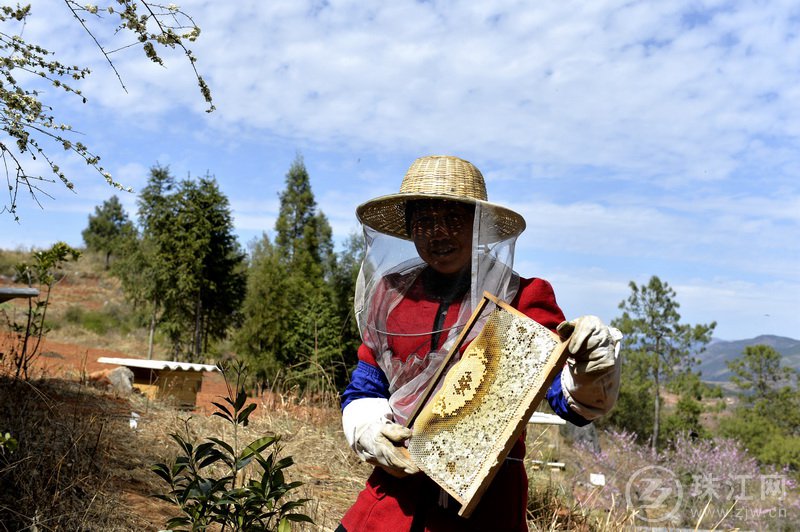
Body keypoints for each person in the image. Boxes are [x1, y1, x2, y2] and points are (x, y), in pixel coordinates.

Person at [338, 155, 621, 532]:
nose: (438, 233)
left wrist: (589, 370)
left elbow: (567, 401)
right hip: (391, 505)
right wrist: (370, 432)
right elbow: (366, 385)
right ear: (409, 229)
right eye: (424, 221)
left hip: (484, 508)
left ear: (478, 225)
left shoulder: (524, 298)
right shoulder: (394, 297)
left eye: (453, 219)